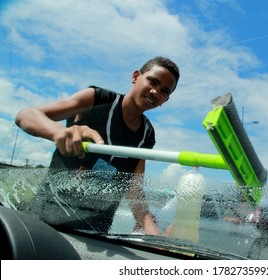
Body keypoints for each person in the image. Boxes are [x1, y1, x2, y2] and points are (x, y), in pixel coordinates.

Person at [15, 56, 180, 235]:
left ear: (165, 100)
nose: (156, 92)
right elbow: (26, 115)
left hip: (96, 234)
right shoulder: (97, 98)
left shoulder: (147, 134)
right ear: (135, 77)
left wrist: (154, 233)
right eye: (153, 81)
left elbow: (134, 189)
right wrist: (59, 132)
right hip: (45, 221)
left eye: (164, 91)